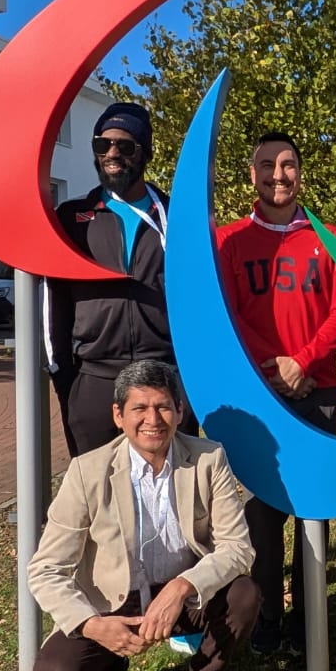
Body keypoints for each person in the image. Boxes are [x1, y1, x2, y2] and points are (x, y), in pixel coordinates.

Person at [27, 360, 260, 671]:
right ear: (118, 415)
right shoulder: (88, 471)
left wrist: (183, 587)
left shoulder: (208, 458)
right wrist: (91, 625)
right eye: (139, 408)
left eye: (163, 406)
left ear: (180, 411)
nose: (153, 419)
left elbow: (238, 546)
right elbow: (45, 569)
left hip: (181, 596)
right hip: (114, 603)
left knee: (245, 593)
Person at [216, 131, 336, 655]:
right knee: (261, 511)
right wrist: (268, 365)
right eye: (267, 165)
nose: (279, 174)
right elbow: (227, 312)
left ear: (301, 172)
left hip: (316, 389)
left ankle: (309, 623)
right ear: (251, 173)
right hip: (257, 395)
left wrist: (303, 361)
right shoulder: (228, 240)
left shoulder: (331, 236)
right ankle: (266, 623)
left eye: (289, 165)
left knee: (310, 511)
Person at [45, 102, 195, 456]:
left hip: (165, 375)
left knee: (169, 497)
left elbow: (200, 301)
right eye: (102, 144)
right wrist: (64, 377)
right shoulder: (71, 218)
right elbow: (53, 304)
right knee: (100, 498)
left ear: (145, 153)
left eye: (125, 146)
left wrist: (188, 381)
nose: (112, 153)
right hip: (95, 380)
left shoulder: (178, 217)